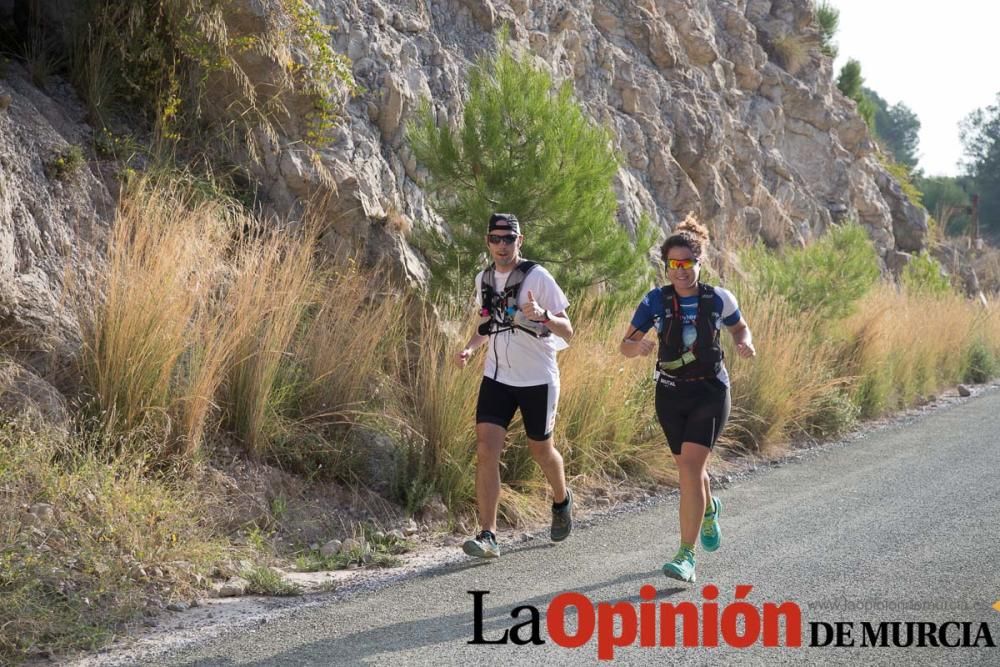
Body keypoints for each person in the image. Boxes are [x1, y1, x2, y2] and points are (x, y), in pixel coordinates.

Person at [619, 215, 755, 583]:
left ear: (699, 262)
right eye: (673, 264)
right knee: (690, 471)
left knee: (690, 471)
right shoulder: (654, 301)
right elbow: (624, 346)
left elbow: (739, 326)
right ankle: (708, 510)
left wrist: (744, 342)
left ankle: (686, 556)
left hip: (711, 391)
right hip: (670, 393)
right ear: (667, 266)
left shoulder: (717, 298)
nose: (680, 271)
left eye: (687, 263)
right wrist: (639, 346)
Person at [454, 213, 574, 559]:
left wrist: (544, 316)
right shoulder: (485, 278)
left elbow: (568, 330)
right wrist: (469, 348)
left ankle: (561, 500)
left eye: (509, 239)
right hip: (497, 377)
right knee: (486, 450)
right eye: (496, 239)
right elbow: (487, 321)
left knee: (541, 451)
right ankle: (488, 535)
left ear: (520, 241)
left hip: (537, 379)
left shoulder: (538, 277)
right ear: (487, 241)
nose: (502, 245)